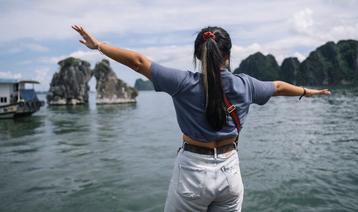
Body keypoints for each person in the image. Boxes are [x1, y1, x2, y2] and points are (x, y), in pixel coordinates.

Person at [72, 25, 331, 211]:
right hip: (230, 173)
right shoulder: (246, 85)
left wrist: (99, 46)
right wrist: (308, 92)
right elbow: (277, 86)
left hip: (193, 174)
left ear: (198, 55)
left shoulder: (183, 83)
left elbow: (139, 62)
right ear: (228, 55)